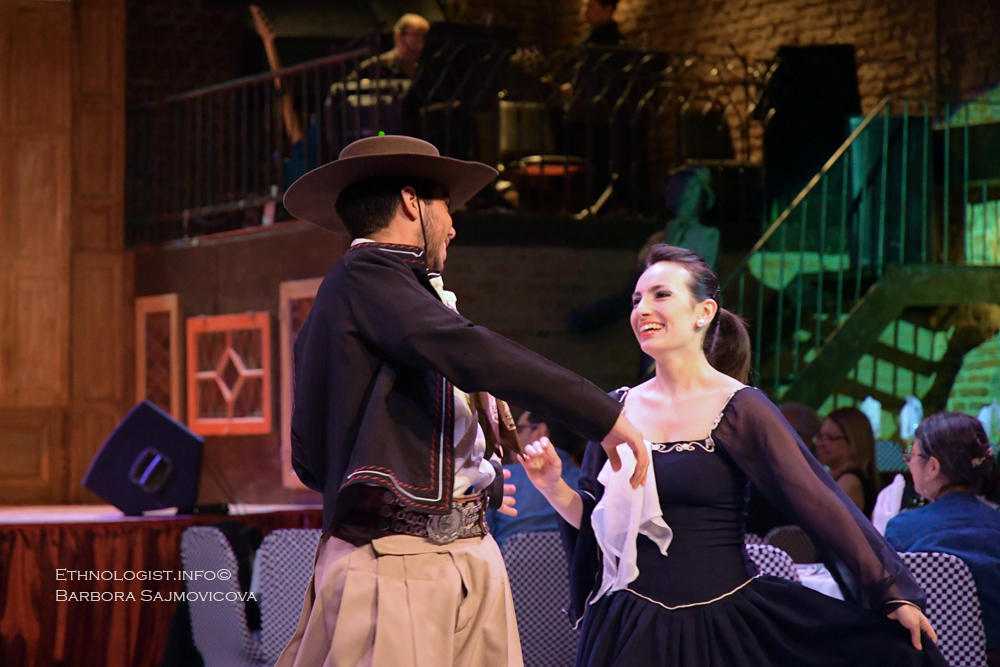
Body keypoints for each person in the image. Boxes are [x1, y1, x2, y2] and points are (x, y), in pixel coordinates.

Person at [275, 135, 648, 667]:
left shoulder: (398, 294)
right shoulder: (365, 276)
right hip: (399, 562)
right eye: (446, 206)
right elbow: (472, 352)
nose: (452, 227)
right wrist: (602, 415)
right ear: (412, 203)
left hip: (459, 555)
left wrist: (472, 484)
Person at [521, 244, 945, 666]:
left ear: (703, 312)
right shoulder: (615, 408)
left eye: (660, 295)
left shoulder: (741, 407)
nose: (642, 309)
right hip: (630, 626)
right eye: (636, 300)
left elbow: (819, 501)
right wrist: (552, 486)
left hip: (724, 623)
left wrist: (892, 592)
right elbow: (597, 525)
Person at [885, 412, 1000, 662]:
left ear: (933, 467)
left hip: (924, 657)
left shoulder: (902, 529)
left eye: (912, 456)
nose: (909, 464)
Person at [486, 411, 587, 546]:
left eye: (518, 430)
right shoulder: (588, 482)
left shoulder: (502, 477)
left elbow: (482, 534)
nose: (507, 440)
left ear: (540, 432)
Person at [744, 402, 822, 537]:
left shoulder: (814, 484)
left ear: (808, 440)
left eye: (778, 432)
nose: (769, 438)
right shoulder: (753, 475)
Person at [816, 407, 880, 517]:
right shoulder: (836, 477)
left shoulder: (850, 481)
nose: (819, 444)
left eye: (830, 438)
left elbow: (820, 518)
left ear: (853, 443)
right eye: (820, 437)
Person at [358, 13, 430, 79]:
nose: (421, 45)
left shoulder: (427, 68)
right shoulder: (375, 67)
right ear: (398, 37)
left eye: (423, 37)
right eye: (416, 36)